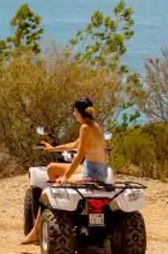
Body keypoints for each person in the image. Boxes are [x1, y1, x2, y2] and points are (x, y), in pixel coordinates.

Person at [21, 98, 109, 244]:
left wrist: (66, 177)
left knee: (48, 191)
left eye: (75, 111)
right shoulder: (95, 126)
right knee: (52, 168)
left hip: (91, 173)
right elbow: (75, 144)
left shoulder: (85, 128)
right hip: (97, 169)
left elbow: (80, 155)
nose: (74, 114)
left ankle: (36, 231)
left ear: (80, 112)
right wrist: (53, 148)